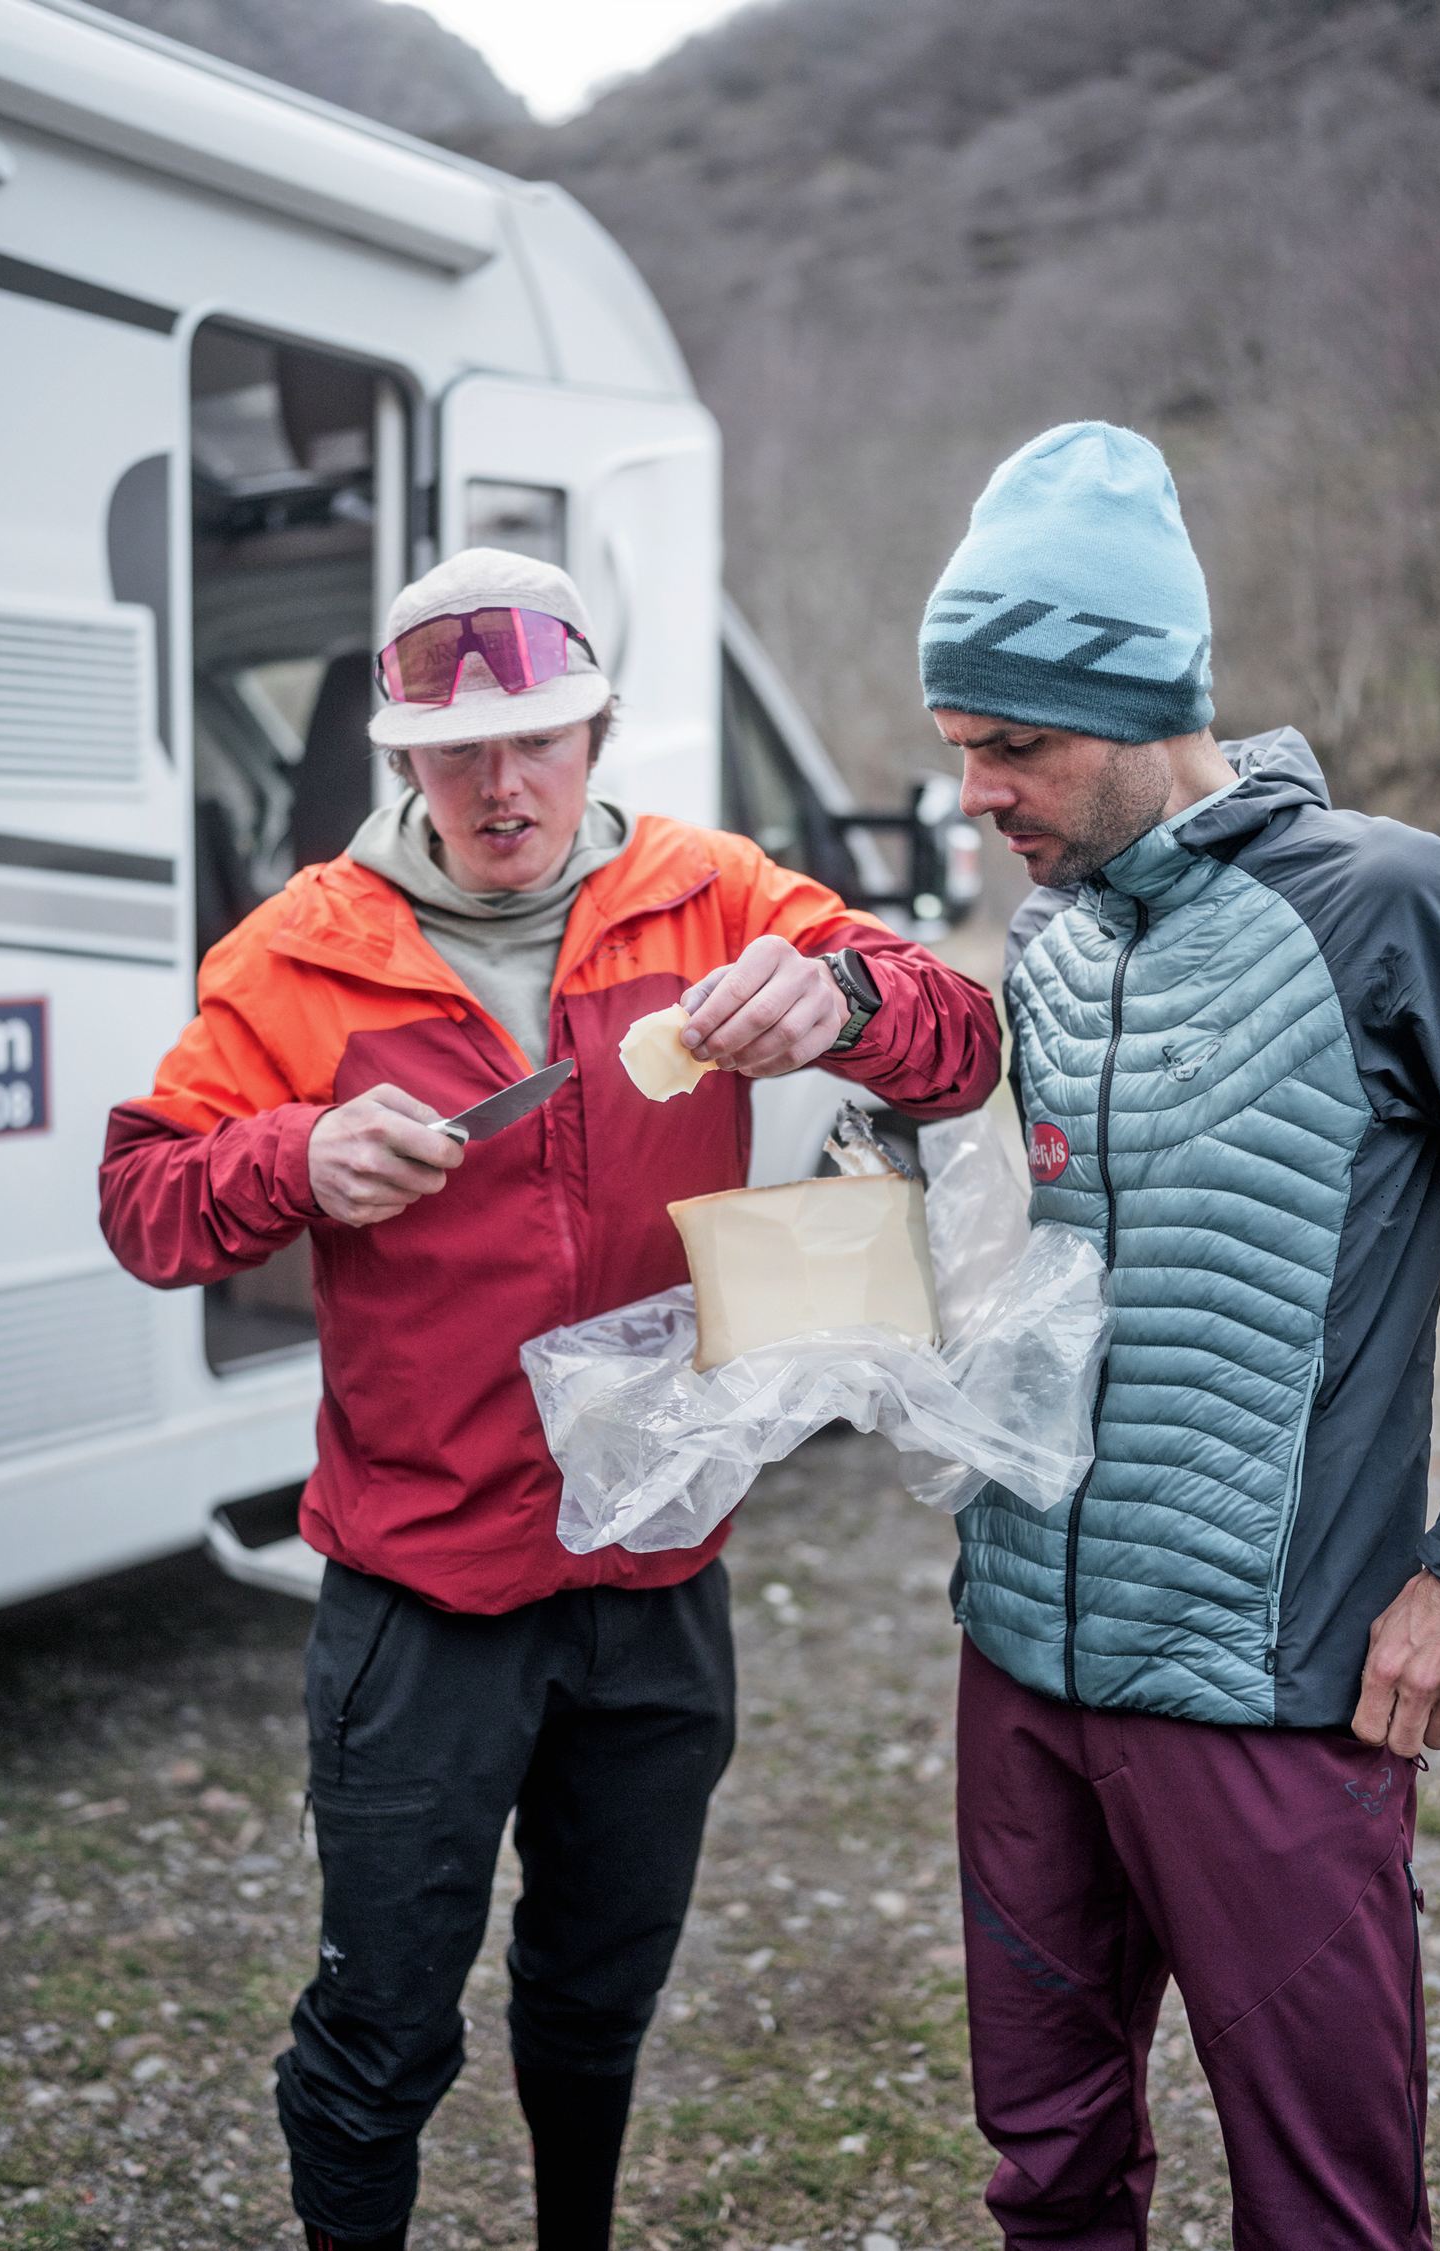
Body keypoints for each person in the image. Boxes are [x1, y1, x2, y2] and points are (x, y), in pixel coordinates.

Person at [100, 546, 1001, 2251]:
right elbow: (148, 1200)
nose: (503, 783)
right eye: (458, 751)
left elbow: (957, 1040)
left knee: (597, 2001)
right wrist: (293, 1154)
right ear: (401, 759)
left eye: (539, 737)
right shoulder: (299, 958)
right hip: (424, 1587)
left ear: (594, 728)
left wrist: (855, 996)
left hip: (658, 1578)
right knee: (380, 2035)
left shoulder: (712, 893)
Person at [918, 419, 1440, 2249]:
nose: (977, 791)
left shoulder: (1388, 902)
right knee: (1049, 2170)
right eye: (959, 748)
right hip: (1022, 1665)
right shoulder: (1052, 940)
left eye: (1016, 744)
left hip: (1269, 1693)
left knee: (1323, 2203)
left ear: (1153, 706)